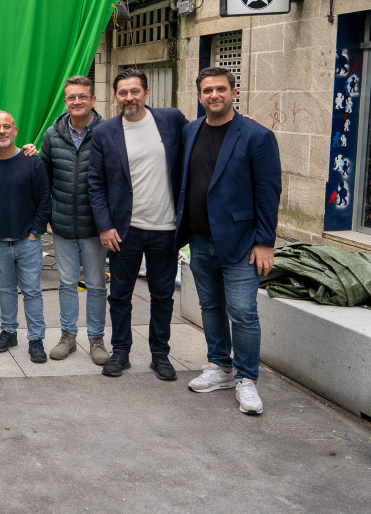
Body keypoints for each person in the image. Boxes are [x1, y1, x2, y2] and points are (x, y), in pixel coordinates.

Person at [177, 67, 281, 415]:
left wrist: (265, 241)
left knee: (243, 313)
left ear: (234, 93)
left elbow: (268, 192)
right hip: (199, 239)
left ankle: (247, 379)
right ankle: (219, 366)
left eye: (221, 89)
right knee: (210, 307)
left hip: (241, 243)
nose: (214, 95)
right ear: (199, 96)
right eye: (207, 90)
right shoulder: (190, 131)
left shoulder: (257, 135)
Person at [88, 68, 186, 381]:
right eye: (123, 93)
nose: (129, 97)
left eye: (134, 91)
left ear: (146, 93)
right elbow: (95, 183)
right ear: (115, 96)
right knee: (120, 295)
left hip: (165, 228)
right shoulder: (105, 132)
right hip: (124, 231)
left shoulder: (171, 120)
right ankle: (121, 352)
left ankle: (160, 354)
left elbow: (202, 135)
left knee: (162, 295)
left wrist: (239, 121)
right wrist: (104, 225)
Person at [40, 76, 109, 365]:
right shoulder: (52, 135)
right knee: (67, 282)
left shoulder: (107, 132)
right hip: (63, 225)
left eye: (82, 96)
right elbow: (44, 178)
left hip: (96, 226)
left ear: (93, 100)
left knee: (96, 284)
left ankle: (96, 339)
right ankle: (68, 336)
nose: (77, 101)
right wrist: (48, 216)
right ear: (65, 102)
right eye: (71, 97)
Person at [0, 112, 52, 361]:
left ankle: (36, 338)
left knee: (32, 291)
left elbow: (44, 201)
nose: (2, 131)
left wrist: (35, 232)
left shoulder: (32, 163)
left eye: (6, 126)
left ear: (15, 130)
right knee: (6, 290)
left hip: (27, 241)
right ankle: (9, 331)